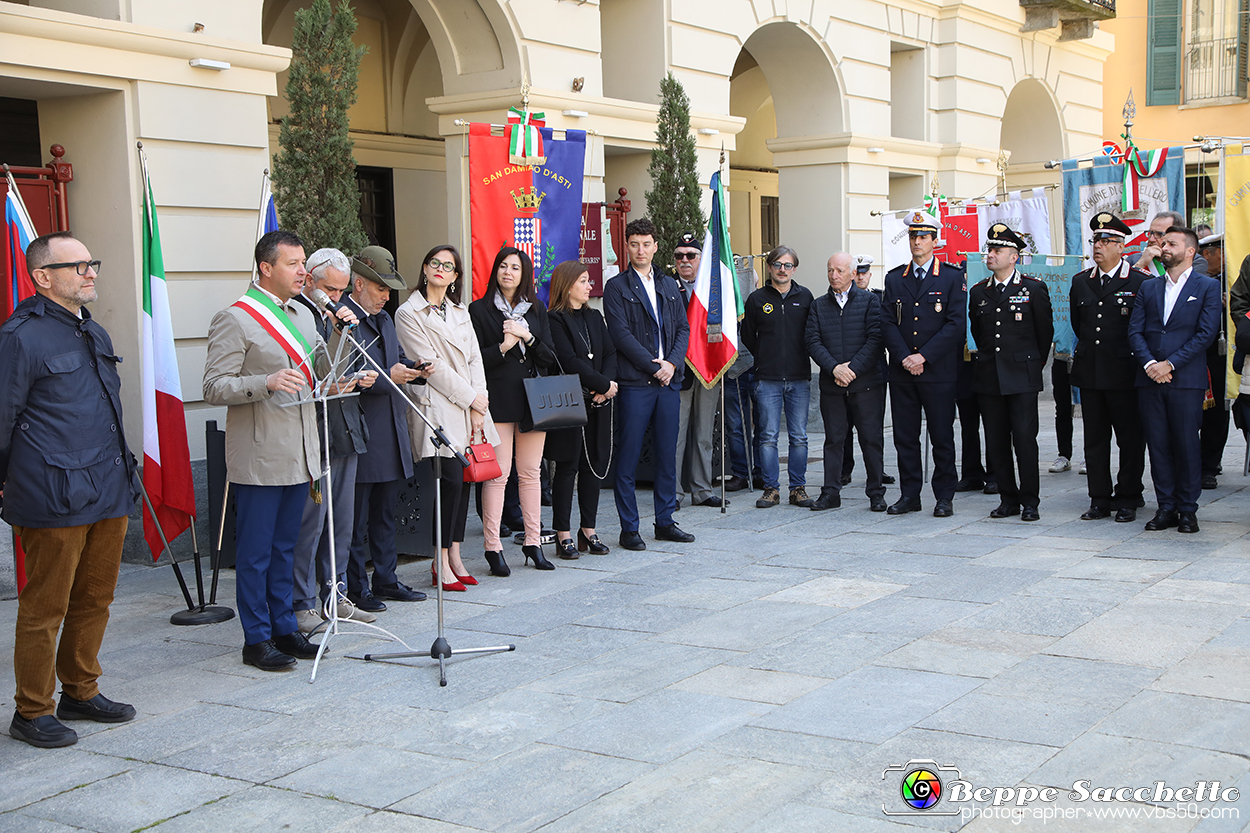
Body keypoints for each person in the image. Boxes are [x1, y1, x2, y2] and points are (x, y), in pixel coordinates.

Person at [1, 233, 138, 747]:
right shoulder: (21, 336)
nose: (91, 273)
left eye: (92, 263)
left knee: (95, 598)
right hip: (52, 493)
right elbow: (2, 421)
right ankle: (31, 711)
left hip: (107, 485)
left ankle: (80, 690)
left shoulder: (92, 331)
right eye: (77, 265)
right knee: (45, 607)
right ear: (43, 277)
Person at [204, 230, 355, 670]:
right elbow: (213, 386)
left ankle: (284, 627)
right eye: (293, 263)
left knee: (286, 547)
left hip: (302, 450)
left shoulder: (305, 316)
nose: (302, 270)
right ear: (266, 268)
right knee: (255, 553)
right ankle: (256, 639)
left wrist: (339, 346)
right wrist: (263, 383)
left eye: (304, 262)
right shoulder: (235, 318)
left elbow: (317, 373)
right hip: (260, 453)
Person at [395, 245, 499, 585]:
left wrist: (479, 401)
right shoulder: (408, 313)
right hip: (438, 405)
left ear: (455, 276)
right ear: (425, 269)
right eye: (435, 263)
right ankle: (439, 560)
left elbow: (474, 359)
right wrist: (472, 398)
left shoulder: (459, 311)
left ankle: (455, 554)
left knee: (464, 483)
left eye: (449, 266)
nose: (441, 269)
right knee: (449, 481)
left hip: (469, 405)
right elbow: (432, 367)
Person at [290, 248, 378, 632]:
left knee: (343, 522)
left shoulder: (341, 317)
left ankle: (336, 594)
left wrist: (361, 377)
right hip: (312, 431)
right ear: (308, 280)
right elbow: (306, 371)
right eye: (330, 289)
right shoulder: (295, 316)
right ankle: (302, 602)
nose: (337, 298)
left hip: (345, 426)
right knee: (310, 523)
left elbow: (348, 364)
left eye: (342, 291)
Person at [342, 246, 429, 609]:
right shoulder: (344, 321)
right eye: (380, 288)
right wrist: (388, 376)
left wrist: (415, 368)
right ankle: (356, 586)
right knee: (355, 519)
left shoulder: (385, 320)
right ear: (359, 283)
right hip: (360, 433)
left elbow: (392, 361)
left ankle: (387, 579)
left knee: (385, 514)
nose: (386, 295)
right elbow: (342, 376)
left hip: (390, 430)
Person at [603, 217, 696, 551]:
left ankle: (665, 521)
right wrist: (652, 366)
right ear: (626, 247)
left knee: (666, 456)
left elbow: (684, 329)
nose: (640, 250)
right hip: (636, 383)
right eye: (634, 244)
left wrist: (671, 363)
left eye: (646, 244)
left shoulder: (671, 285)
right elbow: (620, 335)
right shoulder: (617, 287)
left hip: (668, 382)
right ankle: (629, 528)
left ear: (656, 247)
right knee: (627, 458)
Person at [1128, 225, 1222, 533]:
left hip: (1185, 380)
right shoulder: (1150, 287)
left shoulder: (1206, 286)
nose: (1164, 247)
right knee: (1158, 446)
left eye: (1172, 243)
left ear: (1190, 251)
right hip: (1150, 379)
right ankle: (1165, 506)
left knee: (1185, 445)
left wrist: (1170, 364)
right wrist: (1151, 364)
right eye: (1163, 242)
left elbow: (1206, 334)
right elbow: (1135, 331)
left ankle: (1187, 509)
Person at [469, 246, 557, 572]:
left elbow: (549, 356)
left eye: (515, 268)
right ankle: (493, 546)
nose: (509, 272)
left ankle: (533, 542)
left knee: (531, 474)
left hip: (533, 401)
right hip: (498, 401)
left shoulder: (536, 309)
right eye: (503, 266)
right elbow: (475, 360)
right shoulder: (478, 311)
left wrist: (527, 338)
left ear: (524, 275)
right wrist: (504, 346)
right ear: (495, 271)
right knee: (499, 475)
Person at [880, 212, 967, 517]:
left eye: (923, 237)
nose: (917, 242)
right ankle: (909, 494)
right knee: (905, 436)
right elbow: (888, 322)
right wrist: (905, 357)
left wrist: (923, 356)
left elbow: (955, 325)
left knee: (941, 435)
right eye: (913, 237)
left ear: (934, 241)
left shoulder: (952, 277)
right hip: (903, 371)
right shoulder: (894, 278)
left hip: (937, 371)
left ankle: (944, 496)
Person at [968, 224, 1053, 522]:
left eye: (996, 250)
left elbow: (1045, 334)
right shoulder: (979, 291)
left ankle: (1030, 501)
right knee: (996, 441)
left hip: (1022, 376)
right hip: (990, 377)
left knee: (1025, 440)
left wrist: (1031, 365)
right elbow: (978, 332)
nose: (989, 255)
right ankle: (1008, 499)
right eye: (989, 250)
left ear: (1014, 256)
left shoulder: (1033, 288)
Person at [1069, 213, 1150, 522]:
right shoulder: (1081, 282)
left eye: (1106, 241)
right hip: (1090, 373)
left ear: (1122, 245)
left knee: (1130, 439)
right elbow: (1080, 326)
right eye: (1096, 241)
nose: (1098, 247)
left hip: (1125, 373)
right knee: (1095, 440)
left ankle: (1128, 496)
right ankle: (1099, 498)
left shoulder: (1139, 281)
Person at [546, 260, 618, 558]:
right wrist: (602, 383)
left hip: (598, 401)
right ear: (568, 285)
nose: (590, 286)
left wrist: (607, 386)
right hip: (570, 401)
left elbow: (610, 351)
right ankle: (563, 533)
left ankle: (588, 530)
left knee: (594, 467)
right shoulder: (554, 319)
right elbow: (568, 360)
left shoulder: (594, 316)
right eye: (584, 281)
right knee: (567, 467)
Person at [805, 252, 887, 511]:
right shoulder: (818, 305)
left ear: (853, 273)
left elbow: (876, 339)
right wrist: (834, 369)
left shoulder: (870, 301)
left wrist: (851, 369)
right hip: (832, 385)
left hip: (866, 384)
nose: (834, 275)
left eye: (840, 271)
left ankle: (876, 492)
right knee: (834, 439)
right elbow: (812, 341)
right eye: (830, 270)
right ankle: (831, 492)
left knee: (871, 438)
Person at [742, 245, 815, 509]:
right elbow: (748, 336)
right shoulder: (756, 299)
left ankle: (798, 489)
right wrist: (765, 356)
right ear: (769, 267)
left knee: (799, 436)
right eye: (777, 265)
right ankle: (771, 488)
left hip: (799, 378)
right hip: (767, 379)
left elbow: (812, 334)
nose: (782, 270)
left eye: (787, 265)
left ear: (794, 269)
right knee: (768, 436)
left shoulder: (806, 297)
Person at [672, 232, 725, 508]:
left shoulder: (713, 289)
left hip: (708, 370)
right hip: (679, 372)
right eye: (679, 256)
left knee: (704, 433)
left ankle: (702, 490)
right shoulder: (667, 288)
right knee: (676, 434)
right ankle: (674, 492)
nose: (685, 261)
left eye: (690, 255)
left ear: (701, 259)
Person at [840, 255, 896, 488]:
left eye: (864, 273)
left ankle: (877, 470)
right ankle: (844, 469)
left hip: (874, 371)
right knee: (844, 426)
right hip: (844, 372)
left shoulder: (880, 298)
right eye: (857, 272)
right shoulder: (839, 299)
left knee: (872, 426)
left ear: (869, 275)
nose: (861, 277)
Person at [1198, 234, 1229, 489]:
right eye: (1222, 250)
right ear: (1207, 253)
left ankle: (1209, 464)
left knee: (1217, 412)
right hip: (1190, 354)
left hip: (1218, 355)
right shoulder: (1192, 279)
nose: (1226, 255)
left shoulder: (1230, 281)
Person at [1129, 210, 1210, 277]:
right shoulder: (1134, 260)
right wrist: (1140, 264)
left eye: (1159, 234)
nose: (1151, 239)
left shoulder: (1194, 261)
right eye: (1150, 233)